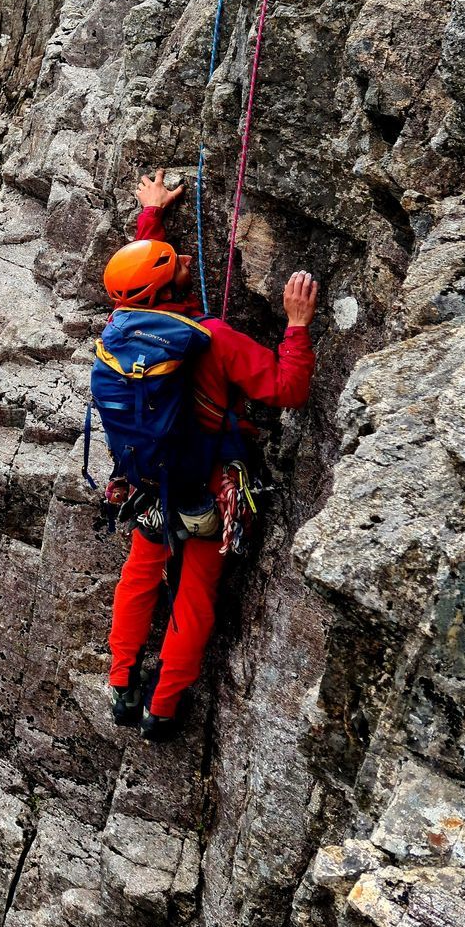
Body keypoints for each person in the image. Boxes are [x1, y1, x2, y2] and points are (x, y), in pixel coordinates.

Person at [103, 169, 318, 740]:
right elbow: (287, 390)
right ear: (167, 284)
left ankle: (122, 683)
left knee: (140, 576)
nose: (178, 259)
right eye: (171, 259)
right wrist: (296, 328)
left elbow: (139, 278)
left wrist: (151, 216)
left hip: (148, 481)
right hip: (205, 489)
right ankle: (163, 707)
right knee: (193, 597)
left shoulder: (121, 327)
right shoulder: (216, 339)